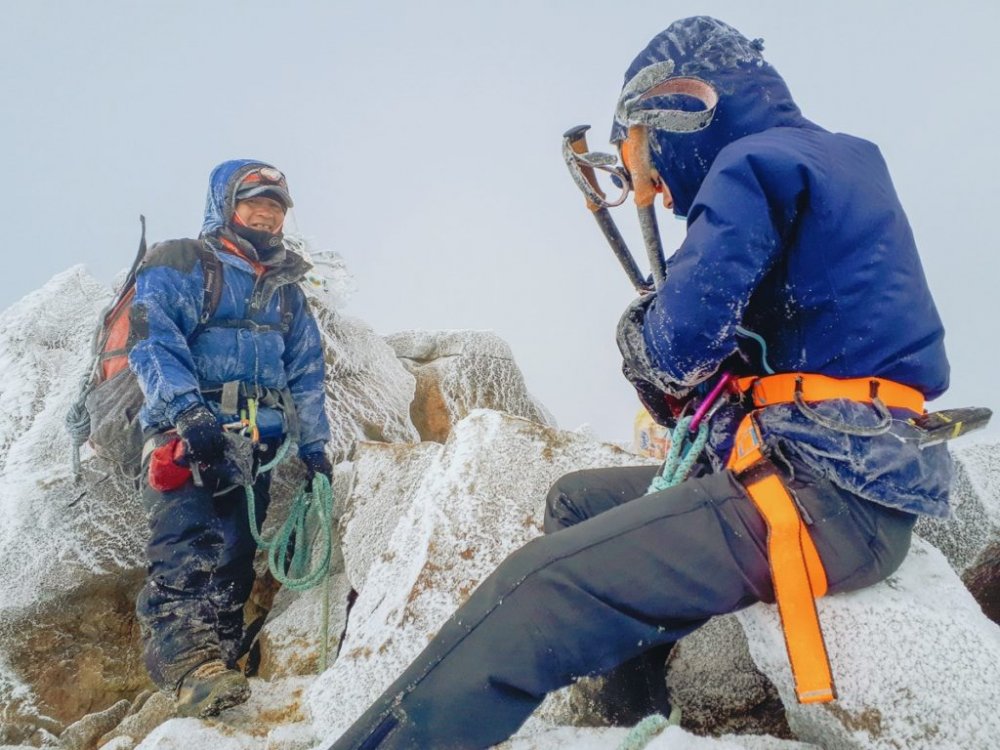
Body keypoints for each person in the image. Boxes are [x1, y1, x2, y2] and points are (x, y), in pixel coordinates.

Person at [328, 16, 952, 749]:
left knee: (538, 581)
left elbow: (677, 351)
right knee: (575, 499)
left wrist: (642, 335)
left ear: (679, 113)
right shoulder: (834, 159)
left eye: (645, 164)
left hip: (822, 495)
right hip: (843, 474)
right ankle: (635, 713)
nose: (659, 194)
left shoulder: (751, 165)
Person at [129, 159, 332, 717]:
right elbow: (152, 338)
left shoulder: (288, 292)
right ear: (225, 206)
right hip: (185, 431)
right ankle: (189, 667)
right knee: (185, 544)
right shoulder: (182, 262)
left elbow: (306, 372)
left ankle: (220, 661)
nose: (265, 216)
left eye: (275, 208)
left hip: (254, 442)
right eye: (254, 203)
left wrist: (314, 447)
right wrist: (187, 411)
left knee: (237, 555)